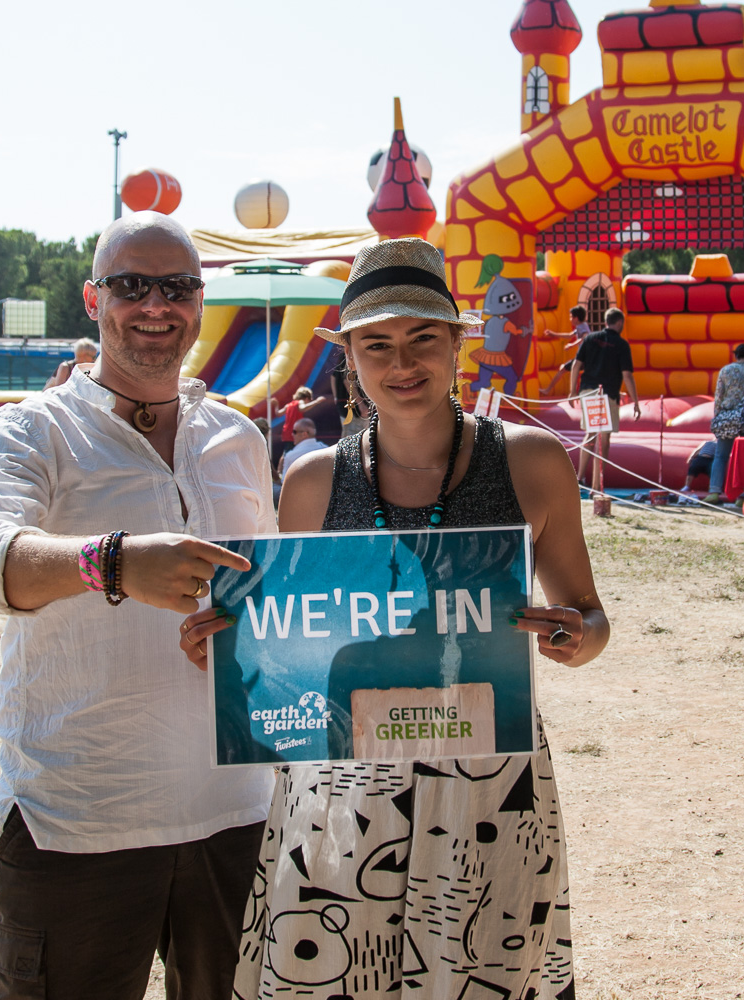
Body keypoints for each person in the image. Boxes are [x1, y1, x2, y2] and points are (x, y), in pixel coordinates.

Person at [176, 236, 610, 1000]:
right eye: (377, 344)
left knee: (483, 971)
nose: (401, 363)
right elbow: (293, 650)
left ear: (456, 345)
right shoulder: (312, 480)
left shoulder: (533, 462)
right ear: (349, 356)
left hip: (486, 778)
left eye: (422, 339)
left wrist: (575, 638)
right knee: (338, 970)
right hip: (343, 780)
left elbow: (592, 615)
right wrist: (230, 650)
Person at [0, 212, 277, 999]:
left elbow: (270, 598)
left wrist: (250, 636)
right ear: (93, 298)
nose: (155, 305)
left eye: (177, 287)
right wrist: (116, 562)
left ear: (200, 301)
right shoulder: (32, 429)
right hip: (77, 821)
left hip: (239, 815)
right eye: (132, 285)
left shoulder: (238, 438)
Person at [568, 306, 640, 487]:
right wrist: (635, 401)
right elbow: (627, 375)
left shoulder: (590, 339)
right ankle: (597, 484)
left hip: (588, 391)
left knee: (591, 434)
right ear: (620, 323)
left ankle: (579, 478)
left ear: (606, 321)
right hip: (607, 394)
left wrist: (572, 390)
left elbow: (576, 365)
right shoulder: (621, 345)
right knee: (604, 438)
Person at [704, 343, 744, 504]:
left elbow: (719, 396)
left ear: (736, 355)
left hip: (728, 418)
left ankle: (714, 491)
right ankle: (743, 494)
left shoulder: (725, 371)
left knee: (721, 455)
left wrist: (718, 417)